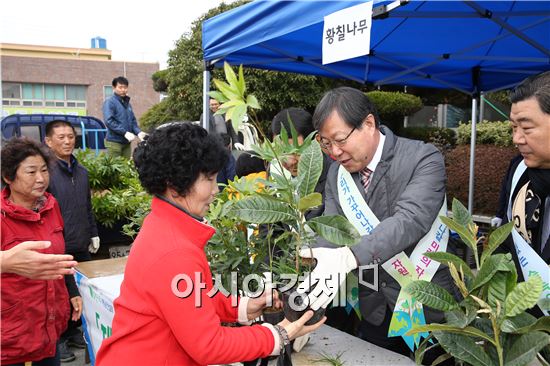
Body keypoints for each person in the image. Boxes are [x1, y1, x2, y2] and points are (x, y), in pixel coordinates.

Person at [95, 122, 324, 365]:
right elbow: (209, 345)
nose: (216, 190)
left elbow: (189, 298)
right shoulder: (175, 251)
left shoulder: (166, 228)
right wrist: (278, 335)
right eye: (209, 179)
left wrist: (241, 307)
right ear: (175, 186)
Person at [297, 87, 456, 361]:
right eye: (325, 144)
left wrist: (349, 256)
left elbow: (411, 219)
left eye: (339, 140)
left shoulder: (424, 158)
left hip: (429, 304)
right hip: (374, 305)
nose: (334, 152)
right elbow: (334, 229)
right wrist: (313, 265)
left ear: (369, 124)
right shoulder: (338, 173)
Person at [1, 137, 82, 366]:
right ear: (9, 177)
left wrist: (71, 290)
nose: (40, 179)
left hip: (49, 332)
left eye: (44, 170)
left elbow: (59, 257)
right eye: (31, 172)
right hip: (11, 340)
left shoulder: (50, 206)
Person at [45, 120, 99, 361]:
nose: (67, 141)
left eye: (70, 137)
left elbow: (88, 207)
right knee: (60, 290)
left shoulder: (82, 172)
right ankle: (60, 338)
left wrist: (94, 232)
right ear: (48, 141)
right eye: (61, 137)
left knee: (80, 289)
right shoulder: (46, 174)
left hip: (81, 240)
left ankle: (74, 329)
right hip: (57, 243)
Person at [500, 71, 550, 318]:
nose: (516, 139)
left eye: (526, 128)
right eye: (513, 127)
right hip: (523, 321)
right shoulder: (518, 169)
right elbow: (504, 239)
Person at [271, 107, 333, 219]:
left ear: (317, 141)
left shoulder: (334, 176)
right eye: (283, 152)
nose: (290, 161)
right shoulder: (276, 173)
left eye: (297, 152)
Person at [102, 76, 147, 158]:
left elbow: (132, 121)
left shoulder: (127, 104)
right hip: (114, 142)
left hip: (126, 142)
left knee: (125, 168)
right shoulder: (110, 102)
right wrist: (124, 132)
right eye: (120, 87)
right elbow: (109, 121)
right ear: (114, 87)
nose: (123, 90)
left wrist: (138, 132)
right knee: (115, 169)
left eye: (125, 87)